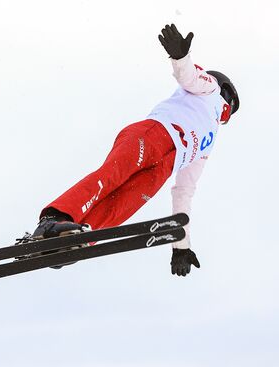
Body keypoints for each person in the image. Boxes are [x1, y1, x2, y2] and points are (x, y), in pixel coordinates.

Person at [27, 24, 240, 276]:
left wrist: (180, 246)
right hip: (154, 134)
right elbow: (189, 77)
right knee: (111, 176)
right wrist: (181, 57)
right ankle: (53, 219)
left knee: (120, 208)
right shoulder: (211, 89)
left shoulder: (208, 139)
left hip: (165, 165)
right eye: (231, 106)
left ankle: (72, 239)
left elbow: (184, 190)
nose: (227, 114)